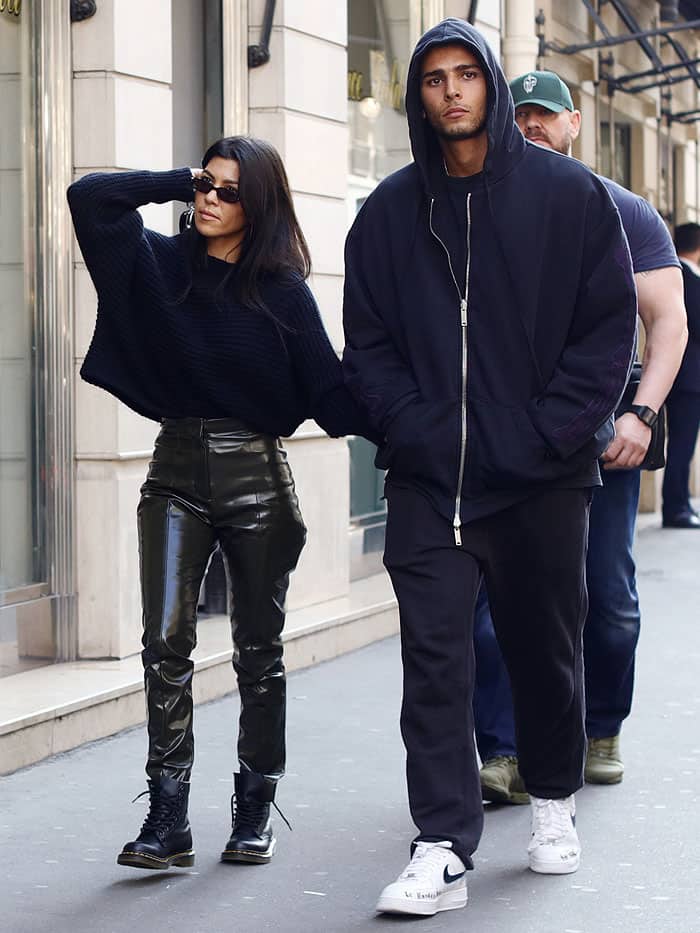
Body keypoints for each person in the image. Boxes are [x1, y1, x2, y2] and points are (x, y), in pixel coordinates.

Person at [342, 20, 637, 917]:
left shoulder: (570, 196)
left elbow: (607, 329)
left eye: (467, 75)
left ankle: (552, 802)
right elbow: (370, 344)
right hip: (432, 480)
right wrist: (415, 428)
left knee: (544, 652)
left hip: (542, 479)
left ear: (494, 88)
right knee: (434, 661)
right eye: (433, 79)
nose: (451, 92)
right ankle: (440, 842)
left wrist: (546, 435)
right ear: (417, 97)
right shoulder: (389, 212)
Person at [68, 136, 377, 871]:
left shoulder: (282, 291)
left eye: (228, 190)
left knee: (258, 653)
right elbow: (89, 199)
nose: (209, 198)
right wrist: (175, 178)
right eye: (206, 184)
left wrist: (404, 414)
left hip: (258, 480)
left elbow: (331, 399)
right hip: (175, 469)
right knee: (165, 646)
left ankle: (254, 807)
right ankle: (168, 815)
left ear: (259, 203)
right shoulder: (160, 266)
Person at [475, 71, 687, 805]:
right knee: (495, 598)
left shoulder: (626, 211)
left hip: (605, 430)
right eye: (521, 114)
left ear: (574, 127)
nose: (531, 125)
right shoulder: (484, 204)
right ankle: (502, 751)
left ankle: (601, 727)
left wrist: (644, 413)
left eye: (546, 115)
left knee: (607, 593)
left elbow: (669, 322)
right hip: (505, 432)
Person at [661, 223, 700, 528]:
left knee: (682, 446)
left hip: (683, 376)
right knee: (681, 446)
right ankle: (676, 508)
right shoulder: (687, 278)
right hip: (687, 379)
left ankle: (681, 504)